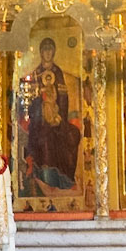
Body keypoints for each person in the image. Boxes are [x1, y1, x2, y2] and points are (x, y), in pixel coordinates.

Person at [22, 36, 79, 192]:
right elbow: (29, 98)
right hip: (39, 120)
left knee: (72, 135)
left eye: (50, 49)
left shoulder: (57, 72)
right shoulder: (36, 73)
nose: (48, 53)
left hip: (57, 117)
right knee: (45, 138)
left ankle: (64, 179)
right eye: (45, 49)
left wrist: (59, 116)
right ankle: (45, 178)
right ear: (41, 52)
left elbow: (63, 97)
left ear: (53, 52)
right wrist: (41, 102)